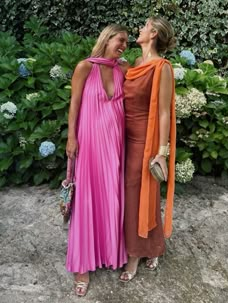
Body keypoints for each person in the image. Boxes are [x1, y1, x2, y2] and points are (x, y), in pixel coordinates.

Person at [66, 24, 129, 296]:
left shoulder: (122, 70)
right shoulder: (85, 67)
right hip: (89, 143)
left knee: (111, 198)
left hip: (115, 144)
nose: (124, 45)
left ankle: (108, 253)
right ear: (107, 38)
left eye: (127, 42)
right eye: (121, 40)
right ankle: (82, 267)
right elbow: (75, 104)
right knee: (87, 200)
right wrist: (71, 138)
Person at [119, 16, 176, 282]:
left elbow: (164, 112)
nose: (139, 30)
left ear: (152, 33)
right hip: (123, 136)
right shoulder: (134, 64)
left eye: (143, 26)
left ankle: (135, 253)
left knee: (137, 193)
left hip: (145, 139)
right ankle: (152, 246)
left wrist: (161, 152)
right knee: (133, 193)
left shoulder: (161, 67)